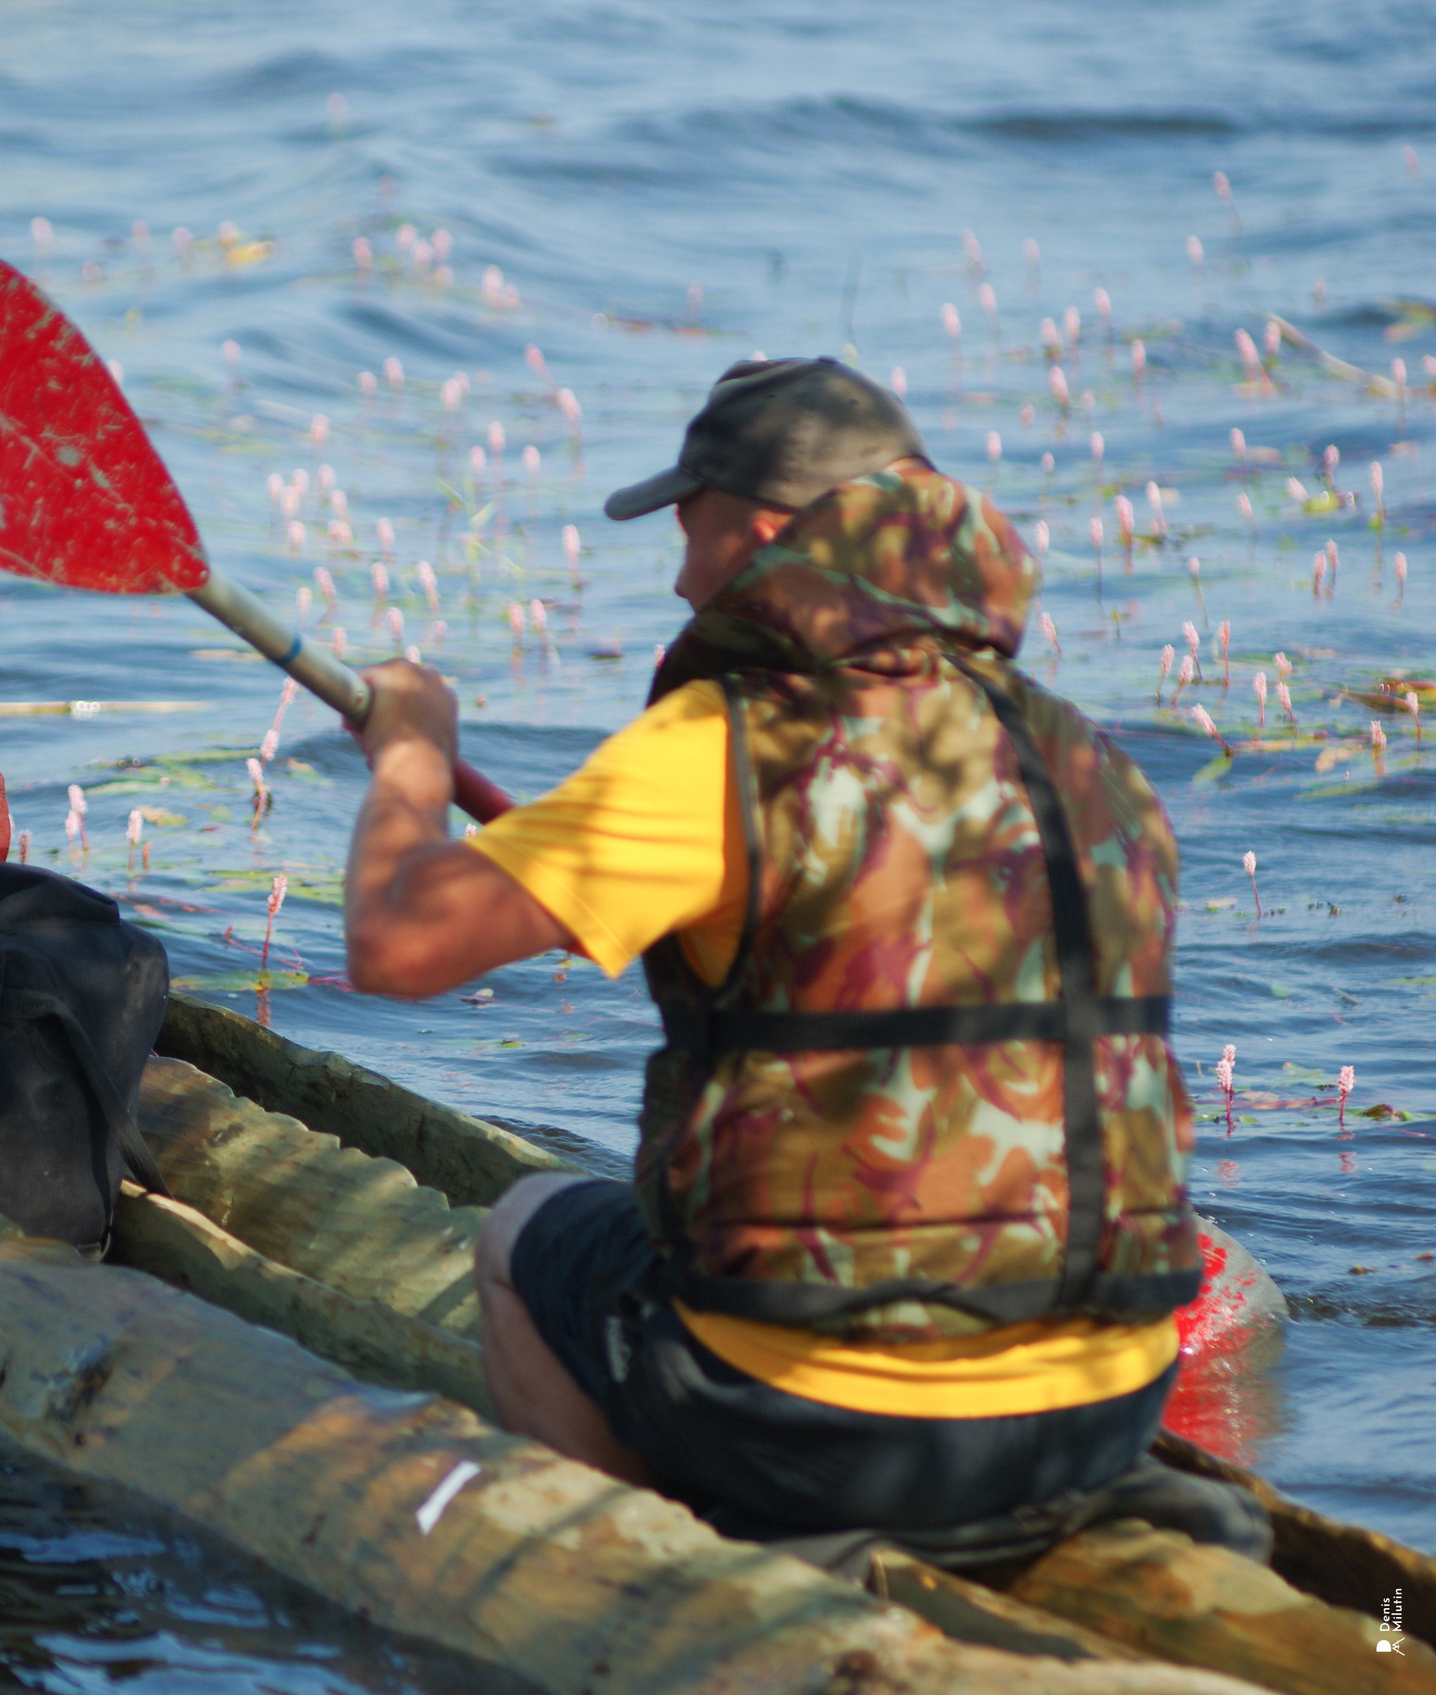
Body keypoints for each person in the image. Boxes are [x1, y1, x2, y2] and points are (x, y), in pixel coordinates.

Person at [341, 359, 1200, 1541]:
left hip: (830, 1427)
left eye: (685, 533)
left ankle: (648, 1579)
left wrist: (410, 755)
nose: (678, 578)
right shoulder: (1082, 753)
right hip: (1105, 1406)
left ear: (754, 533)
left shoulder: (726, 744)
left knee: (520, 1232)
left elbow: (396, 944)